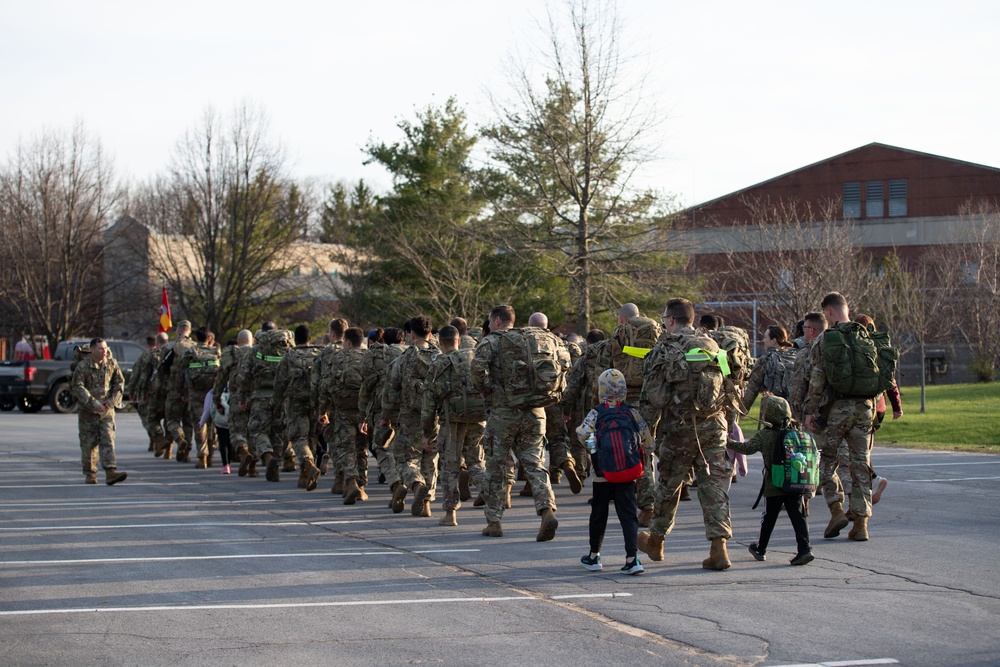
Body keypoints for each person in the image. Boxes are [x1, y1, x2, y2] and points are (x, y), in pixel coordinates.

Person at [637, 298, 735, 570]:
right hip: (714, 427)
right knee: (713, 487)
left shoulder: (663, 348)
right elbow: (729, 382)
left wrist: (645, 436)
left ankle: (656, 541)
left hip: (679, 428)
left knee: (669, 485)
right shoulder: (714, 345)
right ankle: (719, 547)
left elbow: (651, 398)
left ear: (670, 320)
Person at [471, 305, 570, 540]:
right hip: (536, 411)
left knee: (496, 466)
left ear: (496, 321)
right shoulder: (542, 339)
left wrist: (484, 390)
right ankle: (547, 509)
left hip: (503, 413)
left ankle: (494, 521)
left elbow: (476, 368)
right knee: (535, 463)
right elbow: (566, 364)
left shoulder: (493, 341)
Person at [803, 292, 877, 541]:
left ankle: (836, 510)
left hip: (836, 411)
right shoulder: (865, 335)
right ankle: (861, 525)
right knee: (860, 465)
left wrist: (810, 411)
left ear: (829, 312)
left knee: (827, 463)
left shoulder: (826, 339)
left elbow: (817, 379)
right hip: (865, 409)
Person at [577, 369, 652, 575]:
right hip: (627, 470)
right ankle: (632, 558)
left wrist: (595, 452)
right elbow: (648, 440)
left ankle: (593, 556)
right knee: (628, 515)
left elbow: (582, 433)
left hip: (603, 472)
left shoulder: (597, 412)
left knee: (599, 513)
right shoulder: (631, 412)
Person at [728, 396, 814, 565]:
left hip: (774, 483)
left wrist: (727, 442)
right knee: (798, 516)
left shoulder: (764, 435)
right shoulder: (795, 434)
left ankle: (761, 548)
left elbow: (747, 449)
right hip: (794, 482)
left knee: (769, 517)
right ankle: (805, 549)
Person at [421, 325, 487, 526]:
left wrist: (428, 433)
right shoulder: (474, 358)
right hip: (477, 419)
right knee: (476, 463)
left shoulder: (438, 364)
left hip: (451, 423)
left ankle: (450, 513)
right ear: (459, 341)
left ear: (440, 343)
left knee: (450, 468)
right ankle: (494, 504)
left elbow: (429, 404)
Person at [382, 316, 440, 517]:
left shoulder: (403, 359)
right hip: (437, 418)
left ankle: (416, 484)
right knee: (431, 459)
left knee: (405, 458)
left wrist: (385, 417)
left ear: (411, 334)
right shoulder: (440, 357)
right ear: (430, 334)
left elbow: (390, 391)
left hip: (410, 417)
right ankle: (426, 504)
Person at [319, 326, 369, 503]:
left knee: (347, 448)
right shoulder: (368, 357)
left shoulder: (337, 357)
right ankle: (361, 488)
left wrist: (323, 410)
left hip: (342, 410)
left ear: (347, 342)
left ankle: (351, 480)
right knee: (361, 449)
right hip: (364, 411)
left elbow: (326, 384)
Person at [273, 325, 323, 491]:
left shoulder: (290, 355)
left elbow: (280, 382)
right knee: (312, 437)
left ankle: (308, 464)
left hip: (296, 402)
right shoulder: (320, 354)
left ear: (295, 339)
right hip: (316, 402)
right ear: (310, 338)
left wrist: (277, 403)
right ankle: (304, 476)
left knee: (298, 438)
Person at [71, 338, 127, 485]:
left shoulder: (111, 363)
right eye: (101, 348)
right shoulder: (82, 367)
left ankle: (110, 472)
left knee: (108, 438)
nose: (104, 351)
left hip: (106, 411)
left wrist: (111, 402)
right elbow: (78, 387)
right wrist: (93, 403)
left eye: (105, 348)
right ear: (92, 350)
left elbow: (119, 384)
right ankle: (90, 474)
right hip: (88, 411)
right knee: (88, 443)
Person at [742, 324, 796, 410]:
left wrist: (743, 409)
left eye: (765, 337)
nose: (763, 340)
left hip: (773, 408)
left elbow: (752, 387)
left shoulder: (765, 360)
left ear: (774, 340)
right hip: (793, 408)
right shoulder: (795, 357)